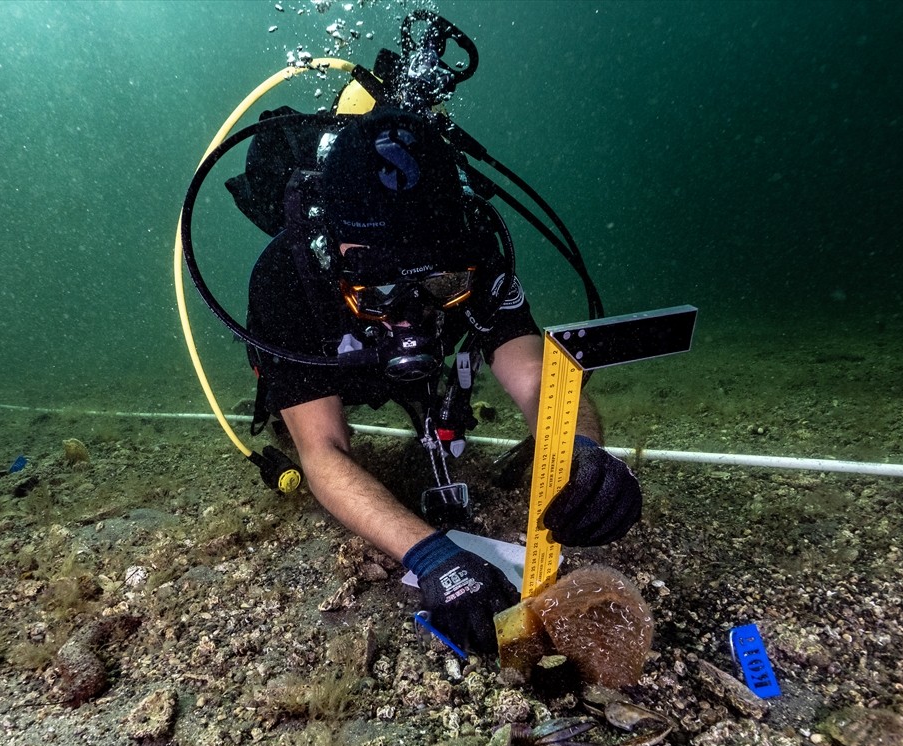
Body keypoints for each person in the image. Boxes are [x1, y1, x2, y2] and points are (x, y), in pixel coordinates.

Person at [246, 107, 640, 655]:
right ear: (334, 253)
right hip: (329, 360)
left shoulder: (476, 251)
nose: (406, 316)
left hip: (425, 346)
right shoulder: (287, 279)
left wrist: (583, 449)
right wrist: (433, 559)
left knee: (439, 401)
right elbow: (324, 451)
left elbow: (537, 378)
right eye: (379, 289)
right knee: (300, 431)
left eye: (438, 282)